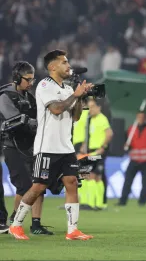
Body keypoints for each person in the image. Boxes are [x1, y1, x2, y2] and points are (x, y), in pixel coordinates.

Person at [8, 49, 93, 240]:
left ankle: (72, 230)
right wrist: (74, 95)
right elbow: (55, 109)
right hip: (47, 146)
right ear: (52, 66)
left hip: (66, 147)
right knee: (38, 186)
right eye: (64, 62)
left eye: (67, 61)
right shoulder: (44, 85)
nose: (68, 65)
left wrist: (80, 96)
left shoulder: (68, 89)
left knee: (72, 183)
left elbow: (76, 116)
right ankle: (16, 225)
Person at [0, 61, 53, 235]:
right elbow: (13, 119)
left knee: (35, 185)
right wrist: (34, 123)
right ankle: (15, 221)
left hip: (28, 146)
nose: (31, 83)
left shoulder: (28, 96)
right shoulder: (5, 96)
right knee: (24, 186)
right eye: (27, 79)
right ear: (17, 77)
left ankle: (23, 222)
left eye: (33, 79)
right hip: (10, 146)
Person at [77, 98, 113, 210]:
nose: (90, 109)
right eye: (89, 107)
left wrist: (103, 147)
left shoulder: (102, 119)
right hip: (90, 149)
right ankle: (96, 203)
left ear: (98, 108)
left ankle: (92, 203)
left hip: (97, 150)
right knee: (92, 176)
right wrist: (84, 146)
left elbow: (109, 134)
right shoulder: (90, 119)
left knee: (92, 175)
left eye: (92, 107)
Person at [118, 110, 146, 206]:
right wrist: (126, 146)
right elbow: (126, 145)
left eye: (142, 117)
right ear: (136, 118)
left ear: (145, 118)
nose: (140, 119)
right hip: (134, 160)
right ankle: (122, 201)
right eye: (139, 117)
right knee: (127, 181)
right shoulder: (130, 130)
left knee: (145, 183)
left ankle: (142, 202)